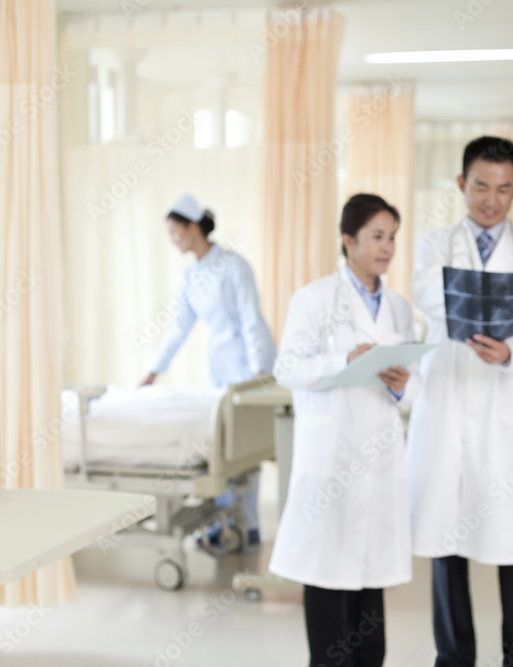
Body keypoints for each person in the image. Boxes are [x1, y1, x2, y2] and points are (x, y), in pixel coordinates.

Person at [408, 136, 513, 667]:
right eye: (480, 186)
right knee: (447, 545)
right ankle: (454, 658)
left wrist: (511, 352)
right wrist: (484, 311)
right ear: (460, 184)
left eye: (503, 188)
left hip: (505, 408)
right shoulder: (434, 245)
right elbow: (431, 298)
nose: (490, 199)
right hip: (447, 403)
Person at [269, 194, 419, 667]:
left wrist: (401, 387)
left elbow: (414, 390)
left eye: (392, 236)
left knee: (369, 592)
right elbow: (287, 368)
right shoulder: (314, 299)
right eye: (377, 236)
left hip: (378, 460)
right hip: (332, 462)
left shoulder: (397, 307)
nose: (387, 246)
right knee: (328, 586)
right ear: (348, 240)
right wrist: (346, 361)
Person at [141, 194, 275, 546]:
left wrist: (262, 370)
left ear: (193, 227)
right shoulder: (192, 276)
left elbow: (252, 321)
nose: (173, 239)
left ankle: (250, 526)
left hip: (247, 368)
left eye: (175, 232)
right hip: (218, 369)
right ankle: (224, 524)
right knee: (223, 448)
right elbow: (179, 327)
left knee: (246, 449)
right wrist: (154, 370)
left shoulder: (234, 266)